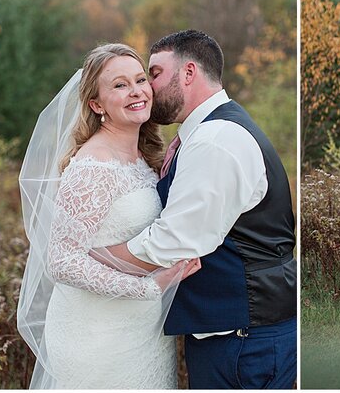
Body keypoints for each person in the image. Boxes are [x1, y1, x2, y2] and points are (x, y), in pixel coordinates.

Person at [102, 30, 297, 389]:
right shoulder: (205, 132)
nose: (147, 88)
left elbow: (174, 241)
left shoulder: (215, 140)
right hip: (232, 332)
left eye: (154, 75)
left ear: (188, 73)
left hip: (246, 341)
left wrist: (95, 259)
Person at [17, 43, 201, 389]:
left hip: (142, 332)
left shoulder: (142, 158)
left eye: (140, 80)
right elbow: (61, 260)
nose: (136, 92)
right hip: (96, 336)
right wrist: (148, 287)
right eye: (119, 85)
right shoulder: (92, 167)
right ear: (96, 104)